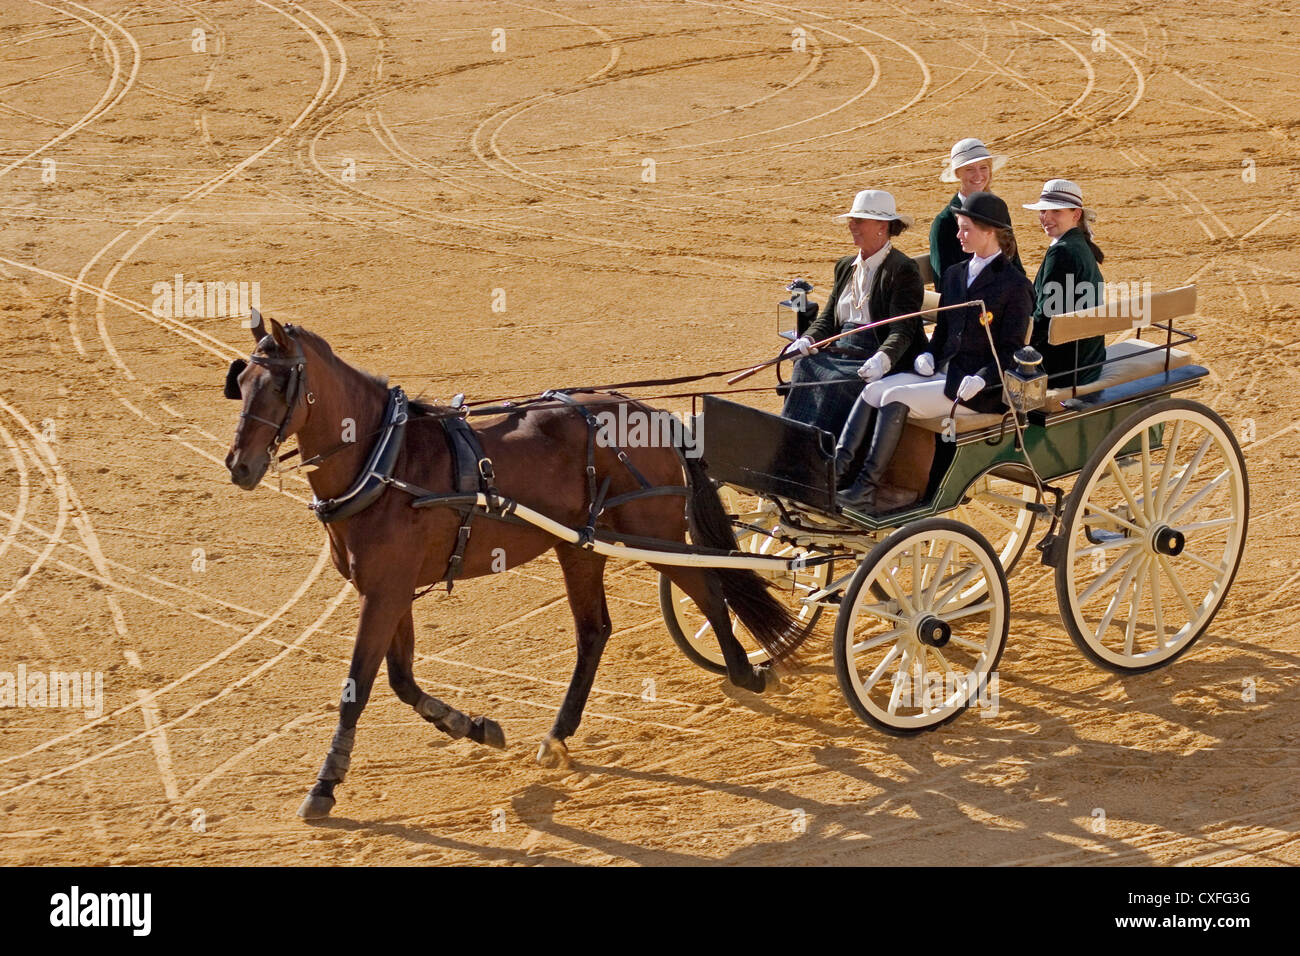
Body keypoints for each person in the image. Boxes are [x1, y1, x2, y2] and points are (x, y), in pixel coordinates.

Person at [838, 192, 1034, 512]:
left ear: (990, 232)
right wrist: (929, 354)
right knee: (874, 390)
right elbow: (943, 331)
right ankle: (839, 473)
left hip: (979, 390)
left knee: (895, 396)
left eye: (966, 229)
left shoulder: (1015, 286)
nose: (958, 235)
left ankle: (865, 487)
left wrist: (984, 378)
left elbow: (1011, 349)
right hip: (944, 373)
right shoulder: (956, 274)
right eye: (959, 227)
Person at [781, 189, 926, 440]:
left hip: (875, 352)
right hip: (843, 348)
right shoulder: (845, 266)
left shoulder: (902, 269)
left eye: (859, 220)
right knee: (805, 365)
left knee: (839, 383)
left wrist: (883, 359)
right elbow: (828, 318)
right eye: (852, 220)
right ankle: (792, 443)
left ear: (882, 225)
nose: (851, 225)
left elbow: (903, 329)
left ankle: (826, 452)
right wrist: (808, 339)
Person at [1023, 179, 1106, 388]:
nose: (1046, 218)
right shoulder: (1078, 245)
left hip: (1065, 367)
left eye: (1056, 212)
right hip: (1088, 359)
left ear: (1076, 214)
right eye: (1043, 211)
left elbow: (1046, 317)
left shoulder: (1062, 252)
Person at [929, 137, 1024, 281]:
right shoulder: (944, 222)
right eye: (969, 169)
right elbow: (945, 283)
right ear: (957, 174)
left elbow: (1014, 260)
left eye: (983, 167)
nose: (978, 175)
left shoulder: (998, 209)